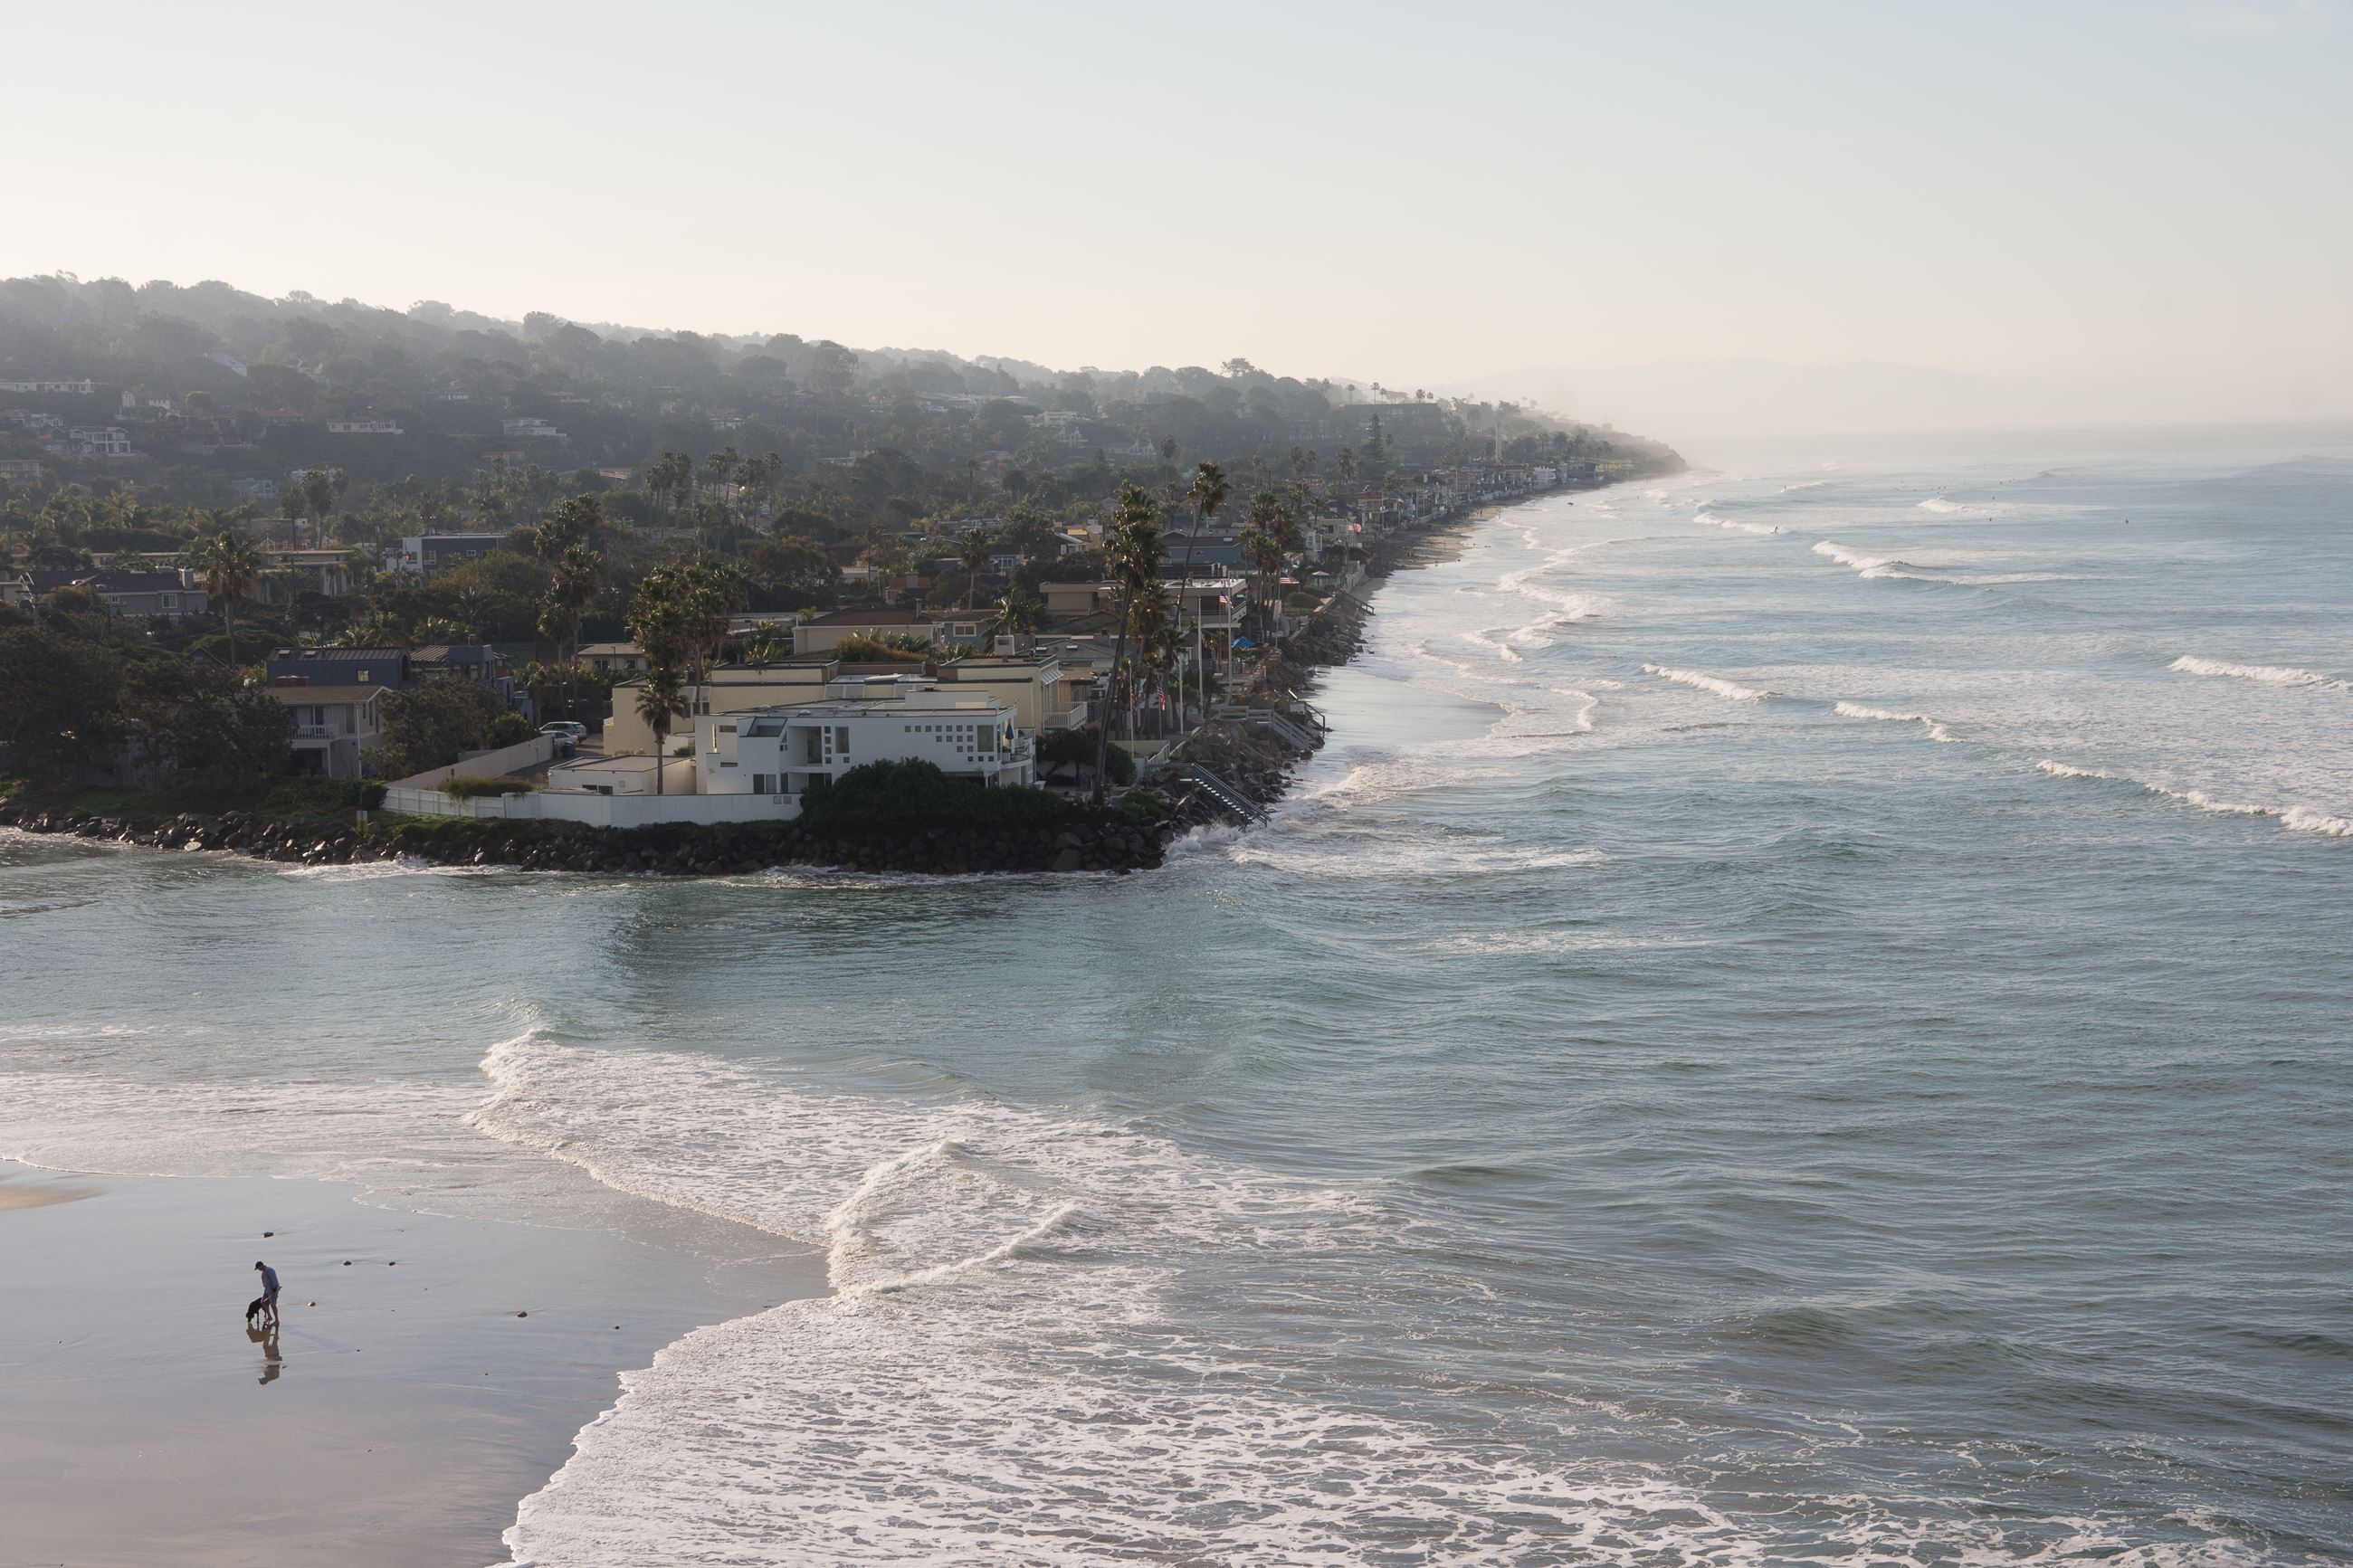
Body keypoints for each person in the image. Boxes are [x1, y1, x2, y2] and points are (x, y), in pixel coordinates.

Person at [252, 1260, 281, 1327]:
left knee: (273, 1305)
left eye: (258, 1268)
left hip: (273, 1290)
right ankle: (270, 1317)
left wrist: (273, 1292)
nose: (258, 1269)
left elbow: (275, 1281)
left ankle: (277, 1321)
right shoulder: (263, 1272)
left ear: (261, 1266)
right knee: (263, 1302)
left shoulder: (269, 1270)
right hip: (267, 1290)